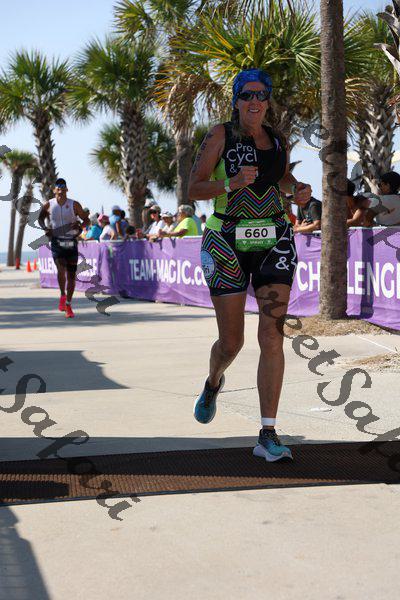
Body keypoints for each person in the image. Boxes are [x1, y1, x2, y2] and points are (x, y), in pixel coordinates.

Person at [188, 68, 311, 462]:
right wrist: (230, 183)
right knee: (231, 342)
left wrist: (297, 190)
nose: (254, 101)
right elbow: (194, 187)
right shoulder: (220, 136)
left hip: (274, 238)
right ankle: (213, 382)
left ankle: (267, 433)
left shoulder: (277, 138)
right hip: (226, 240)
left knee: (272, 336)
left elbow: (282, 178)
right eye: (247, 95)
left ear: (267, 100)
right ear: (237, 100)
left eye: (261, 95)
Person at [38, 177, 90, 318]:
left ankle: (68, 304)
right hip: (57, 241)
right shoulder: (49, 204)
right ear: (54, 190)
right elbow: (40, 218)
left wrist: (80, 226)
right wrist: (45, 228)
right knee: (61, 269)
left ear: (67, 189)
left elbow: (86, 219)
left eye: (63, 188)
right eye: (58, 188)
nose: (61, 191)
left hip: (71, 242)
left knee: (71, 276)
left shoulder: (74, 205)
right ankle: (62, 294)